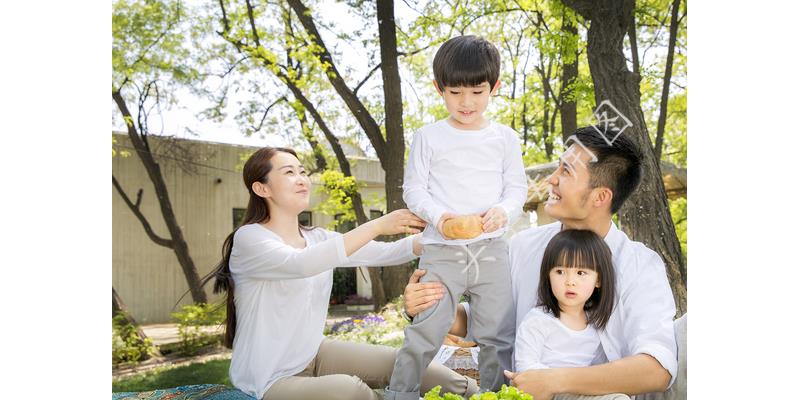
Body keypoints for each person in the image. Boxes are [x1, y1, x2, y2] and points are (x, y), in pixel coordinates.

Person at [403, 126, 681, 400]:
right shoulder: (524, 245)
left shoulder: (640, 266)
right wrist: (432, 304)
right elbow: (486, 316)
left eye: (566, 172)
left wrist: (553, 381)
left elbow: (657, 368)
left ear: (600, 196)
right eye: (558, 168)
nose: (552, 179)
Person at [204, 147, 479, 400]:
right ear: (261, 188)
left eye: (302, 172)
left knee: (409, 364)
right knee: (350, 392)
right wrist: (377, 225)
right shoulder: (250, 239)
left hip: (313, 353)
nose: (301, 179)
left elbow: (386, 253)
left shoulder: (318, 237)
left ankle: (484, 394)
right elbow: (301, 265)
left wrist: (444, 236)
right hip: (268, 378)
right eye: (289, 173)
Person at [385, 35, 529, 400]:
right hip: (442, 249)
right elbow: (414, 190)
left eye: (477, 92)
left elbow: (516, 190)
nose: (466, 103)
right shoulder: (428, 136)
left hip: (491, 248)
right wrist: (441, 217)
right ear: (439, 89)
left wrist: (503, 211)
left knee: (497, 333)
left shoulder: (505, 138)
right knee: (426, 329)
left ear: (494, 88)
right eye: (455, 92)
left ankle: (495, 395)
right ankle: (400, 393)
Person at [514, 229, 616, 373]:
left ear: (598, 280)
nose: (570, 282)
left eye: (581, 273)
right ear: (548, 276)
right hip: (547, 390)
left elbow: (600, 369)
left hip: (584, 392)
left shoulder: (596, 324)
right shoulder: (538, 321)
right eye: (560, 272)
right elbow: (525, 367)